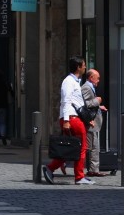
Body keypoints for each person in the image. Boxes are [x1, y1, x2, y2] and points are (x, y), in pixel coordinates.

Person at [42, 56, 91, 185]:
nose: (85, 67)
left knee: (69, 148)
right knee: (82, 147)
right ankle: (79, 176)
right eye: (83, 65)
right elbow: (66, 101)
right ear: (78, 67)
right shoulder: (68, 81)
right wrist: (67, 120)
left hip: (73, 117)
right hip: (72, 118)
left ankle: (51, 168)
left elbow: (76, 102)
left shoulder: (75, 81)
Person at [81, 69, 107, 177]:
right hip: (90, 122)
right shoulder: (86, 88)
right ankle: (93, 170)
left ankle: (94, 169)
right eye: (97, 78)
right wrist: (98, 101)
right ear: (91, 78)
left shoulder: (89, 87)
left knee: (94, 146)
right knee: (92, 146)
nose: (99, 80)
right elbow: (85, 104)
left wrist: (98, 106)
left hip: (93, 122)